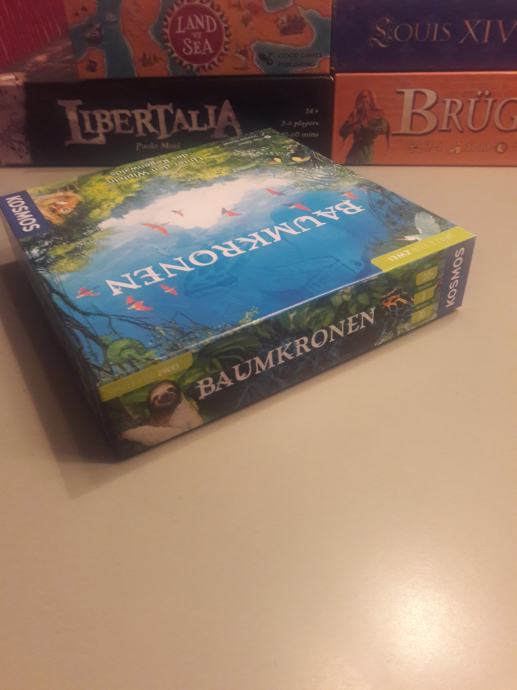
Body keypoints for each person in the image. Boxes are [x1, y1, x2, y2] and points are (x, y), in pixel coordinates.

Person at [339, 90, 390, 165]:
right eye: (361, 98)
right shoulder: (355, 114)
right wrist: (352, 128)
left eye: (365, 97)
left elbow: (383, 128)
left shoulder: (377, 113)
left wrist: (367, 127)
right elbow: (342, 131)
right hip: (355, 148)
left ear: (371, 99)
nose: (363, 100)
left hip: (367, 148)